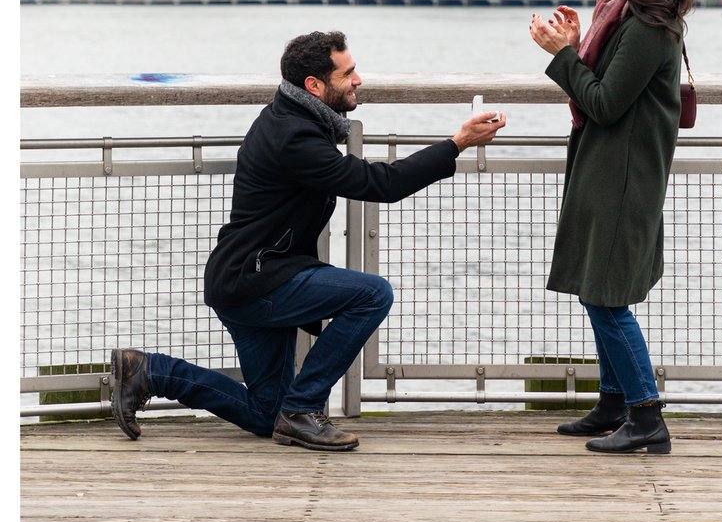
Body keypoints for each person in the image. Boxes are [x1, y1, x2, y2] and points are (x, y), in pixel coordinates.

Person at [105, 31, 506, 451]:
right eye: (348, 73)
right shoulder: (295, 137)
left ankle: (149, 371)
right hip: (257, 281)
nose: (359, 80)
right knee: (372, 294)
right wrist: (456, 144)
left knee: (266, 416)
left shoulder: (293, 118)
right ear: (314, 85)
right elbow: (378, 184)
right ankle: (303, 409)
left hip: (246, 279)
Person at [526, 0, 693, 455]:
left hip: (624, 179)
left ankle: (647, 416)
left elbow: (602, 102)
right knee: (598, 289)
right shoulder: (624, 19)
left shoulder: (647, 28)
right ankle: (614, 402)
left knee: (606, 298)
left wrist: (561, 56)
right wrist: (575, 47)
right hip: (608, 171)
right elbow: (603, 89)